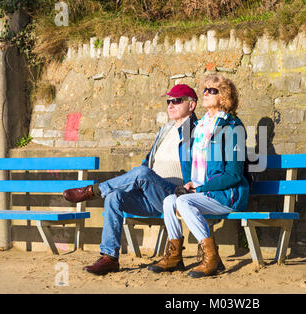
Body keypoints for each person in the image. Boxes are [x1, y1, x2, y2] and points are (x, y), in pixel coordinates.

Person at [62, 84, 198, 275]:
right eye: (168, 101)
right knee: (114, 197)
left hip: (175, 195)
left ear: (191, 105)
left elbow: (203, 164)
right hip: (151, 194)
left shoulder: (197, 131)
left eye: (176, 100)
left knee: (142, 173)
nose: (170, 105)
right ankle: (110, 258)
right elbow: (149, 161)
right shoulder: (165, 130)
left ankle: (93, 190)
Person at [148, 74, 249, 278]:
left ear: (224, 97)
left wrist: (201, 189)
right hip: (203, 193)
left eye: (212, 90)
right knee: (169, 201)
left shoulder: (233, 128)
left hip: (227, 195)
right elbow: (196, 169)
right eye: (204, 89)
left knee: (184, 203)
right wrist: (190, 184)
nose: (205, 93)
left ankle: (212, 258)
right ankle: (175, 257)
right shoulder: (201, 127)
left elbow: (234, 174)